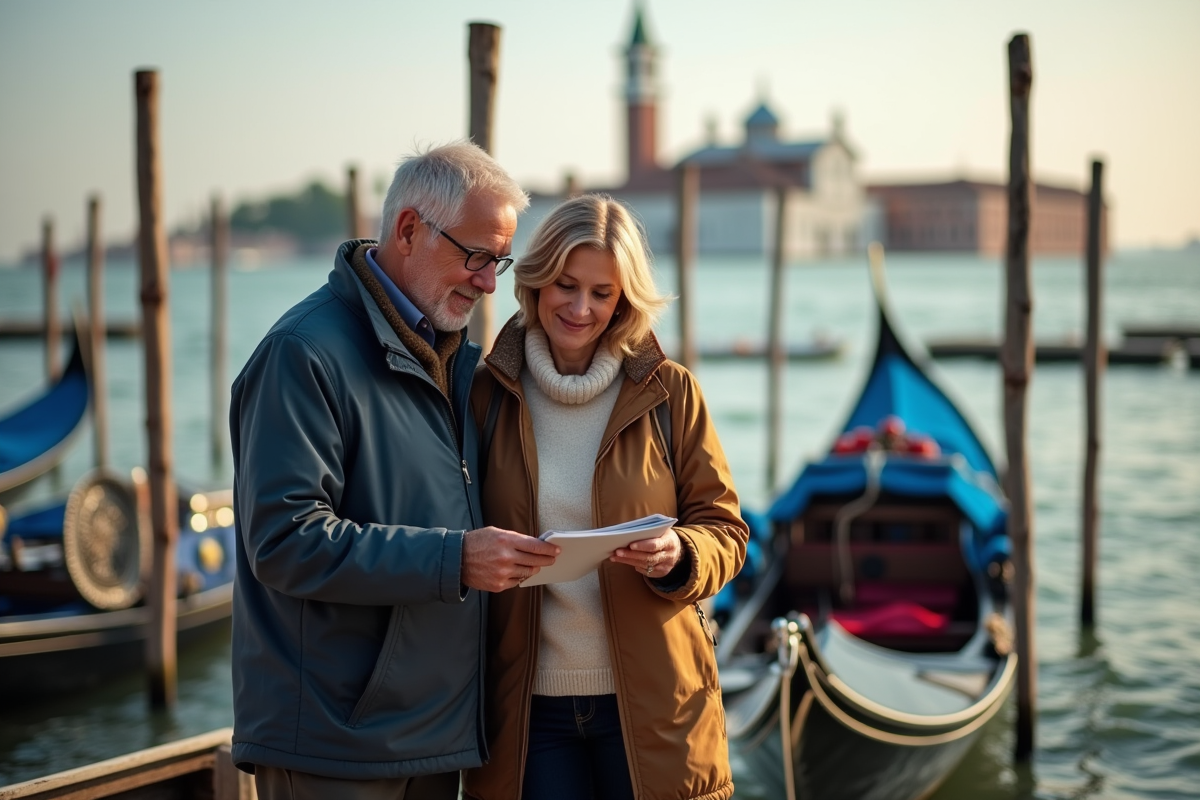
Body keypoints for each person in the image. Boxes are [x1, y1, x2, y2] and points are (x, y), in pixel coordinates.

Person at [228, 141, 560, 800]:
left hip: (436, 738)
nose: (489, 282)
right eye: (475, 256)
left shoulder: (460, 365)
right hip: (334, 746)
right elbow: (284, 541)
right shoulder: (301, 356)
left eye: (499, 261)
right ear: (408, 230)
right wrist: (456, 560)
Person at [463, 194, 749, 800]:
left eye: (602, 293)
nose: (581, 307)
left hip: (652, 704)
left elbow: (726, 530)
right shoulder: (485, 394)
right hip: (526, 711)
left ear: (624, 299)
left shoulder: (672, 394)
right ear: (536, 281)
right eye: (566, 285)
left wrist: (681, 552)